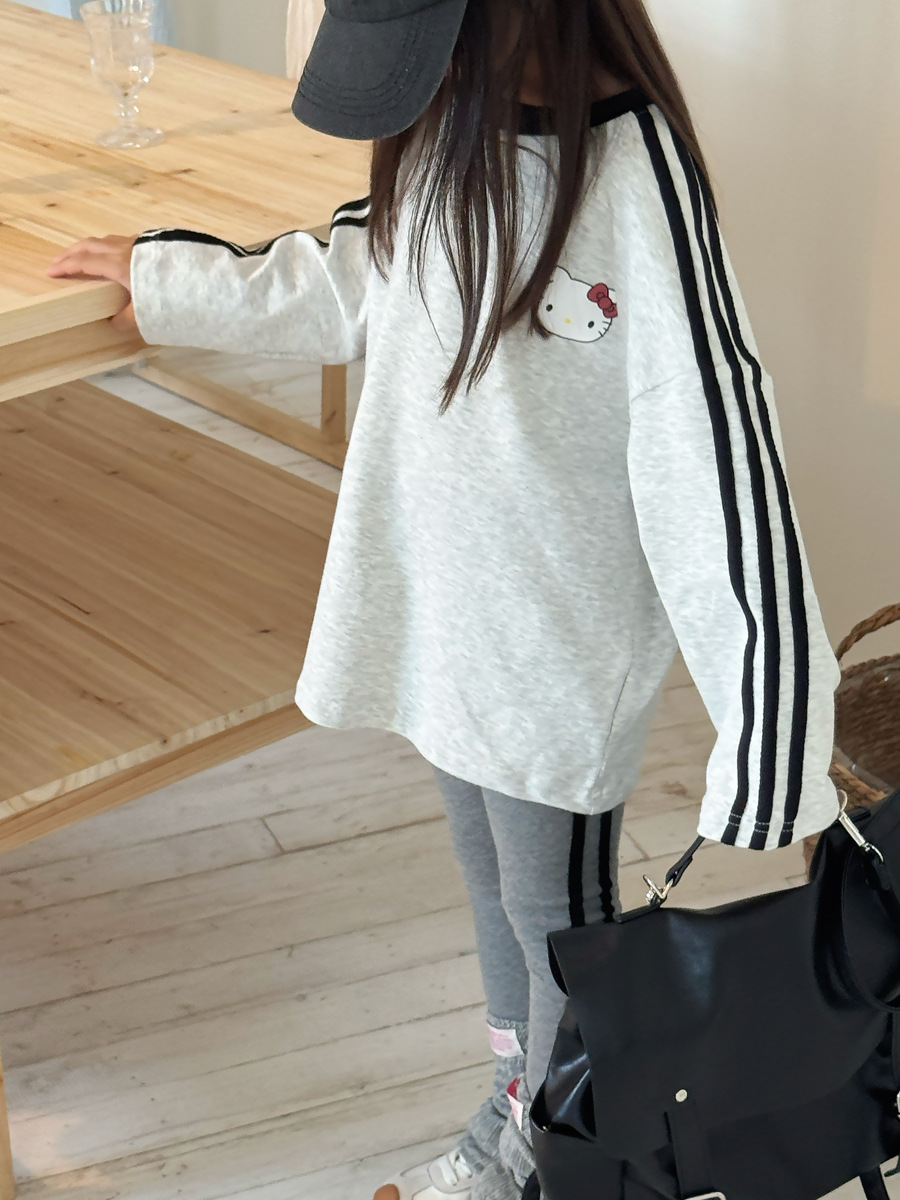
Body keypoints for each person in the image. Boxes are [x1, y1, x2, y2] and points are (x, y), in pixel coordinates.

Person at [46, 1, 844, 1198]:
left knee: (553, 914)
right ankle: (520, 1112)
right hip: (445, 607)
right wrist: (170, 279)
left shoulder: (637, 177)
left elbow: (714, 449)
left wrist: (770, 725)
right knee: (498, 890)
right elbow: (353, 279)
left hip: (552, 644)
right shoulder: (447, 127)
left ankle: (569, 1160)